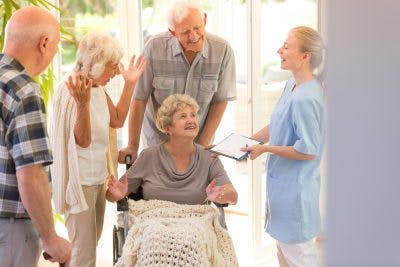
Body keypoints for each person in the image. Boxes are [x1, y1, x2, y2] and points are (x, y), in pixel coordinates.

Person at [50, 32, 147, 267]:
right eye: (112, 67)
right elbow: (82, 141)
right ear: (96, 65)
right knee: (83, 257)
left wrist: (130, 83)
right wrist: (82, 104)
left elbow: (117, 119)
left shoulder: (97, 89)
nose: (115, 72)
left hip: (98, 179)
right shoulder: (70, 89)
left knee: (87, 247)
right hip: (79, 182)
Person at [242, 26, 325, 267]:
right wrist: (249, 142)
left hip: (295, 194)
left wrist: (266, 149)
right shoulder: (292, 85)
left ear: (305, 56)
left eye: (287, 47)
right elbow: (277, 124)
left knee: (300, 258)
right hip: (282, 190)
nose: (279, 50)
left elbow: (308, 150)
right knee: (284, 256)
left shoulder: (306, 97)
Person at [118, 0, 236, 163]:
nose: (194, 36)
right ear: (172, 32)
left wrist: (201, 146)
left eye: (197, 28)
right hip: (157, 144)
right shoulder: (154, 47)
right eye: (185, 32)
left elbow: (220, 102)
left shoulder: (223, 51)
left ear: (205, 20)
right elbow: (139, 99)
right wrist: (132, 145)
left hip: (198, 143)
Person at [0, 6, 71, 266]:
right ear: (44, 43)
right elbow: (30, 175)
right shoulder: (23, 89)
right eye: (55, 47)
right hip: (11, 231)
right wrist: (51, 238)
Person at [107, 94, 237, 206]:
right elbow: (113, 195)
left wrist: (221, 195)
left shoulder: (209, 156)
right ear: (167, 127)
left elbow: (233, 196)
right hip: (154, 223)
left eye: (193, 115)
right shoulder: (150, 156)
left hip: (196, 224)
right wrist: (116, 194)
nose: (191, 120)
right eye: (183, 116)